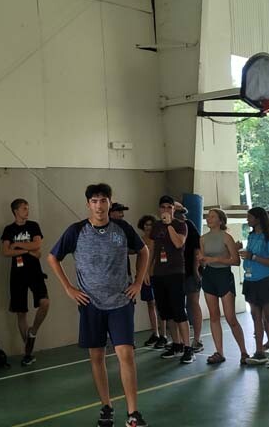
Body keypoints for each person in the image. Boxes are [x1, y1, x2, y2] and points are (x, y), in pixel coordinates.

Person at [48, 183, 150, 427]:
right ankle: (106, 406)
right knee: (97, 356)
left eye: (103, 200)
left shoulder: (122, 228)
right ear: (88, 204)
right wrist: (69, 288)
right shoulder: (76, 231)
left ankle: (133, 413)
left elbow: (144, 251)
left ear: (109, 203)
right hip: (90, 303)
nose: (99, 206)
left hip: (120, 302)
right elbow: (53, 257)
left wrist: (137, 282)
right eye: (94, 201)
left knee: (126, 354)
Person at [0, 199, 50, 366]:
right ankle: (28, 352)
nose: (27, 211)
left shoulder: (33, 226)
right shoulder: (9, 229)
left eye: (28, 208)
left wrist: (17, 245)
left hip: (35, 272)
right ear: (16, 211)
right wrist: (29, 251)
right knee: (21, 312)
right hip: (17, 275)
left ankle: (33, 331)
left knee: (45, 302)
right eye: (24, 209)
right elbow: (6, 251)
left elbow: (37, 244)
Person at [198, 209, 247, 365]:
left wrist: (215, 259)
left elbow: (236, 261)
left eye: (212, 216)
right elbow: (203, 261)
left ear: (220, 220)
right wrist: (202, 260)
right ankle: (219, 352)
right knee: (214, 316)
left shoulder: (226, 237)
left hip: (224, 276)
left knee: (230, 317)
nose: (209, 219)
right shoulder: (203, 239)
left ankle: (244, 352)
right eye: (208, 216)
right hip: (209, 276)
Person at [239, 207, 269, 369]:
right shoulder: (251, 236)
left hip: (265, 280)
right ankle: (259, 352)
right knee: (255, 316)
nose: (247, 220)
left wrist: (253, 257)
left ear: (258, 219)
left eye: (250, 217)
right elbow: (250, 254)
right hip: (250, 280)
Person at [149, 196, 193, 364]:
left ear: (174, 209)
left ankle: (188, 347)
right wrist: (147, 270)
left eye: (169, 207)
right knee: (166, 312)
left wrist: (169, 225)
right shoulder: (156, 226)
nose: (166, 210)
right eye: (163, 207)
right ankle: (176, 344)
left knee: (179, 311)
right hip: (159, 273)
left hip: (175, 272)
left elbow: (178, 243)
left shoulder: (180, 225)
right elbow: (153, 248)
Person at [176, 202, 204, 353]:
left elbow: (197, 249)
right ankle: (180, 340)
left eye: (181, 212)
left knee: (193, 303)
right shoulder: (166, 226)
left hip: (190, 272)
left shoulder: (189, 225)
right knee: (178, 306)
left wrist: (195, 270)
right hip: (175, 273)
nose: (180, 214)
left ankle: (197, 339)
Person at [136, 215, 167, 349]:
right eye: (146, 224)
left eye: (150, 224)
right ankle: (155, 333)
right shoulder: (140, 240)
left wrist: (150, 271)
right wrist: (142, 274)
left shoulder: (158, 239)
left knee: (160, 305)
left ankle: (164, 335)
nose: (148, 227)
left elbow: (159, 258)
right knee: (150, 304)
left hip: (156, 275)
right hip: (144, 277)